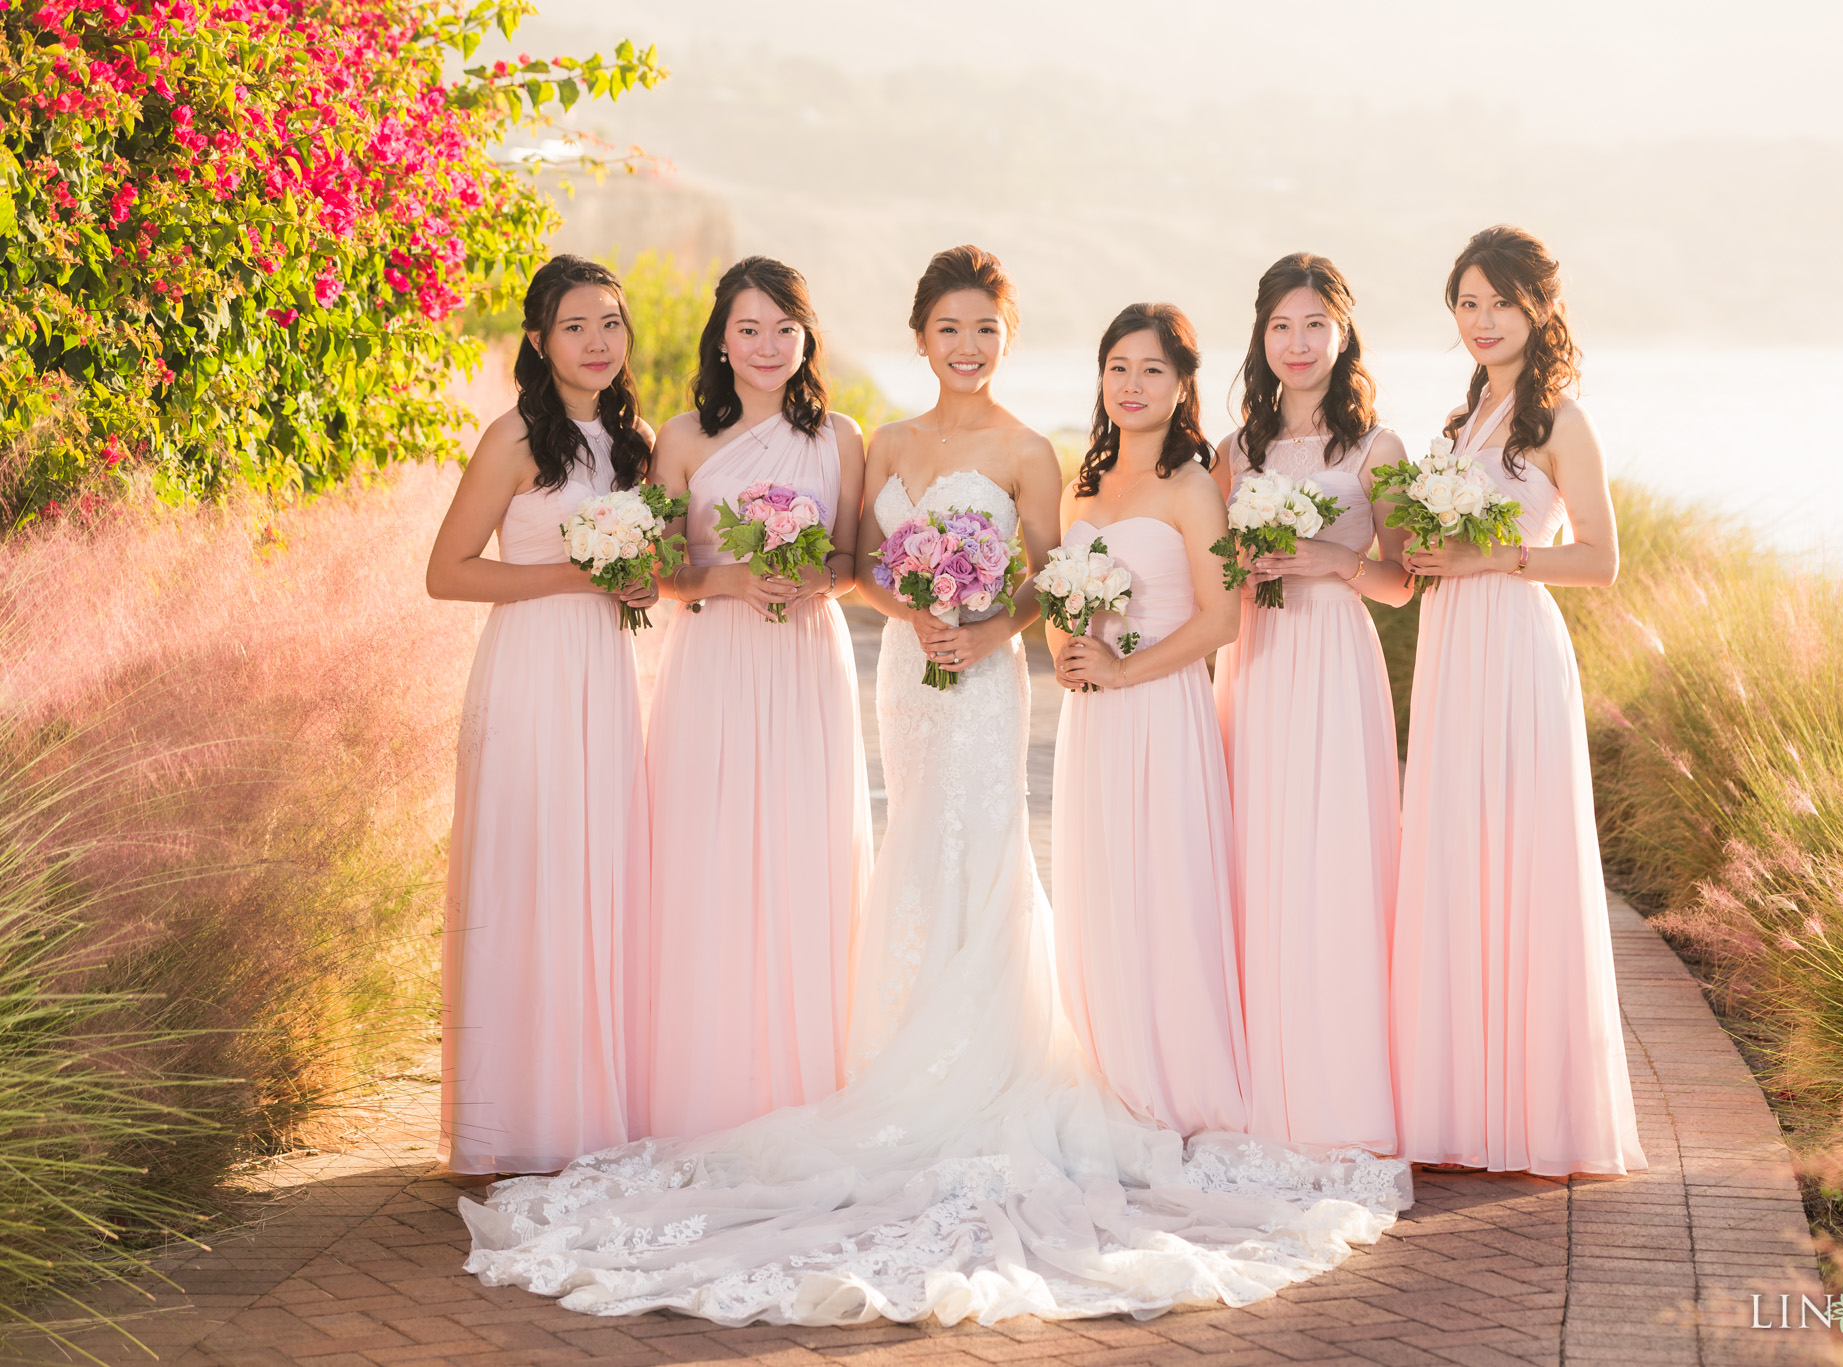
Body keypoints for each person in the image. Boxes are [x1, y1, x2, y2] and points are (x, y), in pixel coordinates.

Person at [459, 250, 1409, 1327]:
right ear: (920, 336)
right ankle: (890, 1049)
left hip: (985, 674)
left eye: (986, 331)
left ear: (1007, 340)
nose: (967, 347)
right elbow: (855, 560)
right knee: (909, 842)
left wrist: (992, 625)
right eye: (949, 329)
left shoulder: (1029, 451)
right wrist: (909, 609)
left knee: (985, 851)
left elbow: (1054, 580)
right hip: (905, 671)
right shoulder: (887, 443)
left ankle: (986, 1058)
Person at [1389, 225, 1647, 1177]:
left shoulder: (1560, 421)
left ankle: (1534, 1112)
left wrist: (1489, 555)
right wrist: (1426, 554)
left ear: (1539, 307)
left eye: (1499, 302)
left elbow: (1601, 561)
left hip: (1518, 649)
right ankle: (1461, 1103)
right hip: (1456, 647)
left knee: (1521, 859)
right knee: (1459, 853)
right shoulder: (1463, 422)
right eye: (1467, 303)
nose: (1482, 321)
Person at [424, 254, 657, 1175]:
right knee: (529, 874)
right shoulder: (515, 436)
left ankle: (587, 1109)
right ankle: (515, 1125)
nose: (598, 342)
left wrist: (638, 580)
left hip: (606, 671)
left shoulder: (635, 441)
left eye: (611, 323)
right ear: (538, 340)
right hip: (529, 673)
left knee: (598, 874)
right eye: (575, 326)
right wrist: (580, 573)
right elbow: (447, 572)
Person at [634, 257, 873, 1141]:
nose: (767, 346)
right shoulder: (684, 436)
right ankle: (708, 1083)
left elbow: (852, 563)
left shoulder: (842, 436)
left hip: (807, 658)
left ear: (807, 336)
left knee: (805, 853)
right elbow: (660, 570)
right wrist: (729, 578)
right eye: (748, 329)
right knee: (709, 849)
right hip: (714, 660)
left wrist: (810, 574)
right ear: (721, 340)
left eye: (783, 328)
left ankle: (804, 1081)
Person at [1210, 254, 1411, 1151]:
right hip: (1258, 659)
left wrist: (1331, 558)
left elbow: (1403, 584)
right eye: (1281, 326)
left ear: (1343, 334)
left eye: (1315, 326)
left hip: (1334, 657)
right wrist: (1245, 568)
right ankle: (1259, 1071)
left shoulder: (1379, 448)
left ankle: (1338, 1079)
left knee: (1335, 852)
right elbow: (1213, 572)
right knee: (1256, 848)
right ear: (1260, 336)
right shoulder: (1233, 453)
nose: (1298, 344)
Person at [1048, 302, 1249, 1136]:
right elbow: (1063, 596)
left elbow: (1223, 617)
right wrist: (1066, 642)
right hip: (1094, 718)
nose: (1132, 385)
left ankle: (1171, 1079)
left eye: (1152, 370)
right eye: (1119, 368)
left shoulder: (1194, 486)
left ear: (1181, 385)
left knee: (1164, 884)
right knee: (1100, 884)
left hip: (1162, 707)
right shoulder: (1080, 487)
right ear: (1101, 378)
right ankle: (1107, 1064)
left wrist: (1129, 666)